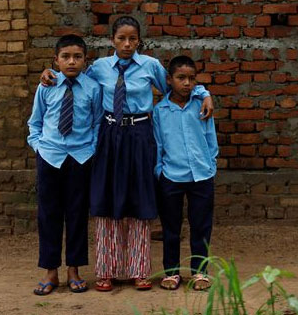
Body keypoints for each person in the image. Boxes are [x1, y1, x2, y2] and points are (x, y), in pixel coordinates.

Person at [40, 16, 213, 291]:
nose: (127, 44)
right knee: (106, 198)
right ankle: (106, 269)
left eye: (133, 39)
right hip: (109, 135)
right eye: (121, 38)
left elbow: (176, 87)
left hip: (140, 134)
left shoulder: (150, 66)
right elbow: (74, 78)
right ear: (112, 40)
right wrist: (49, 73)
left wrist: (203, 93)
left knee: (139, 199)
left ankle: (138, 268)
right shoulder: (99, 68)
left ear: (139, 41)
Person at [27, 34, 103, 296]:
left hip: (80, 158)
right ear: (56, 60)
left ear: (85, 60)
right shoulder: (47, 85)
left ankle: (74, 269)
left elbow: (96, 123)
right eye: (66, 57)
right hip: (50, 156)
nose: (72, 62)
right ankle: (50, 272)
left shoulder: (93, 88)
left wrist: (91, 150)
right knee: (48, 214)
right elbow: (35, 122)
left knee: (77, 214)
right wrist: (39, 147)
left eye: (77, 57)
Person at [153, 55, 218, 291]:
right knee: (171, 228)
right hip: (171, 177)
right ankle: (171, 272)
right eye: (181, 78)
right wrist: (160, 173)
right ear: (169, 80)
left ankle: (200, 272)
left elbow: (210, 138)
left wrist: (210, 165)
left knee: (201, 226)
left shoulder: (201, 105)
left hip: (201, 176)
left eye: (192, 78)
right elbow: (158, 144)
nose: (187, 83)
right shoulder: (160, 111)